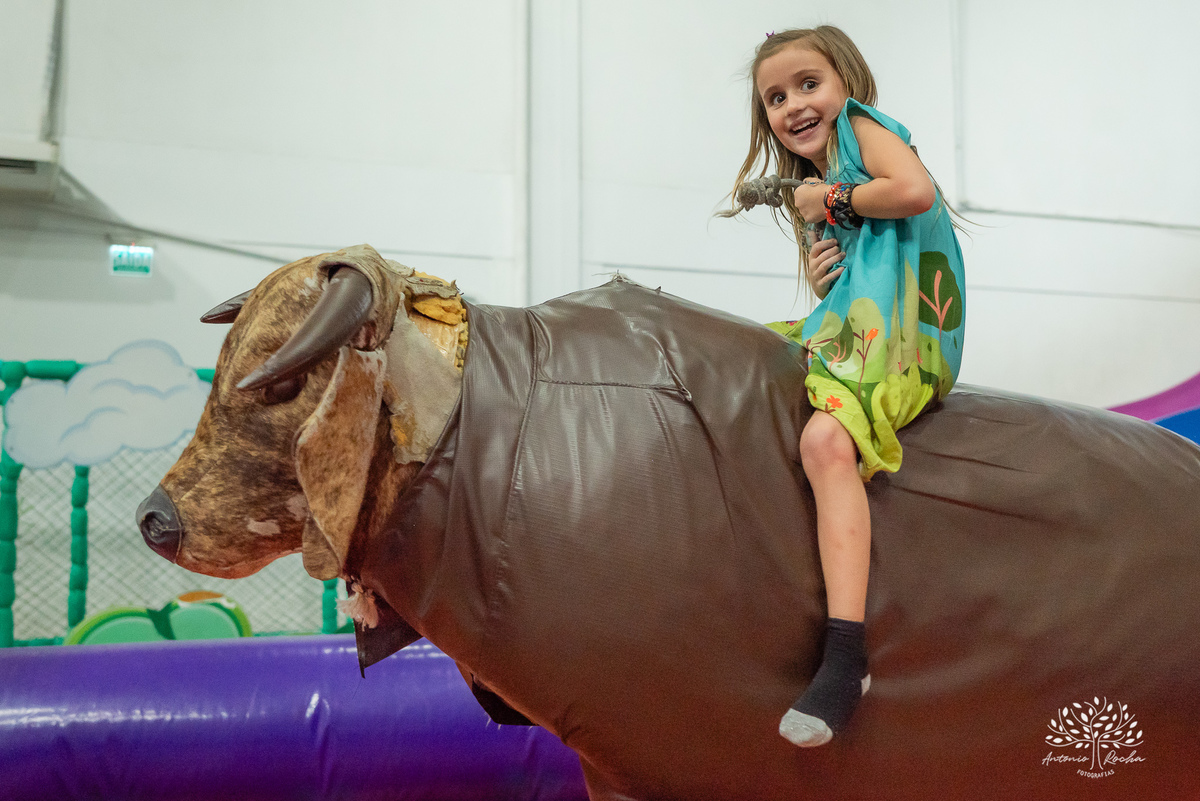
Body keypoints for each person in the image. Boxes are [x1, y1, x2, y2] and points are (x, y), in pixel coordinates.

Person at [722, 26, 966, 747]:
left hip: (908, 335)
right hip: (858, 318)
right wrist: (824, 271)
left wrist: (830, 202)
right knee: (745, 366)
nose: (793, 104)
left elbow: (913, 192)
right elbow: (842, 279)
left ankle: (846, 651)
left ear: (845, 83)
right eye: (775, 97)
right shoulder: (814, 187)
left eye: (808, 84)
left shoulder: (864, 132)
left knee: (826, 437)